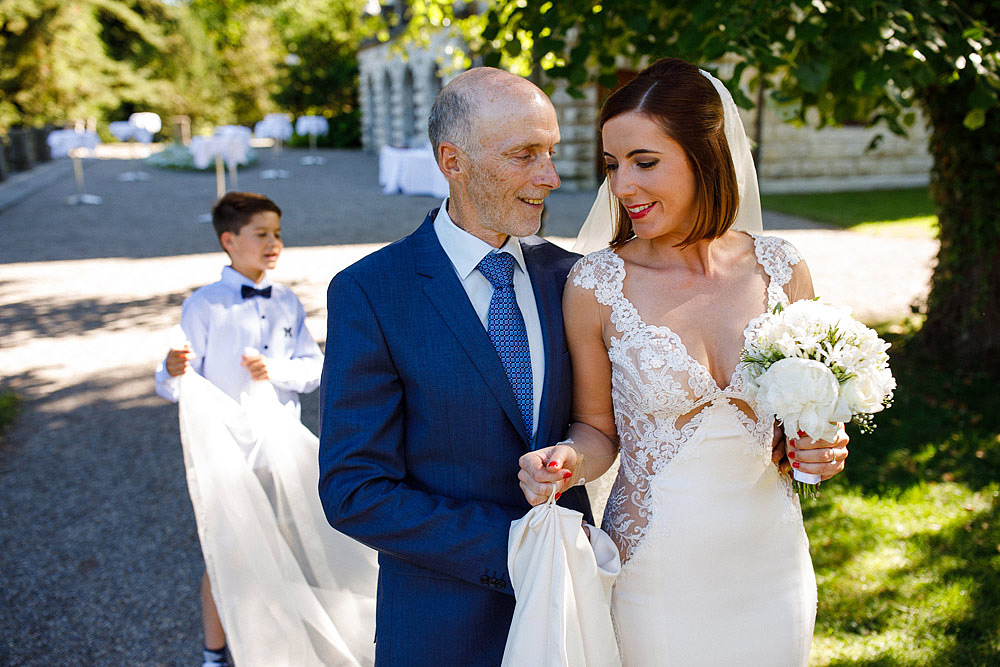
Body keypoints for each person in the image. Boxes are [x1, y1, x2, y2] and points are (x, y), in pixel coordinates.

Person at [518, 58, 850, 665]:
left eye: (645, 162)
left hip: (772, 569)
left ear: (707, 153)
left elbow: (813, 417)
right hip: (656, 576)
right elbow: (597, 431)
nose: (622, 187)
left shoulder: (781, 268)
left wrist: (825, 447)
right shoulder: (597, 286)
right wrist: (566, 459)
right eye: (613, 165)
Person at [317, 68, 595, 667]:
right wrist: (513, 549)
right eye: (525, 155)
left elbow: (633, 414)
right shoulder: (371, 291)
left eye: (550, 153)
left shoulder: (575, 279)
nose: (549, 177)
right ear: (453, 161)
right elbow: (354, 490)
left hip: (575, 617)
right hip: (440, 628)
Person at [155, 191, 323, 667]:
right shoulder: (204, 306)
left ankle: (283, 640)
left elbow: (313, 369)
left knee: (288, 544)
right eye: (261, 234)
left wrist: (276, 370)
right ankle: (215, 652)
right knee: (227, 552)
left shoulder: (287, 301)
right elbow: (176, 387)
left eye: (278, 233)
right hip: (228, 453)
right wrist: (171, 369)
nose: (274, 243)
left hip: (280, 448)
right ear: (229, 240)